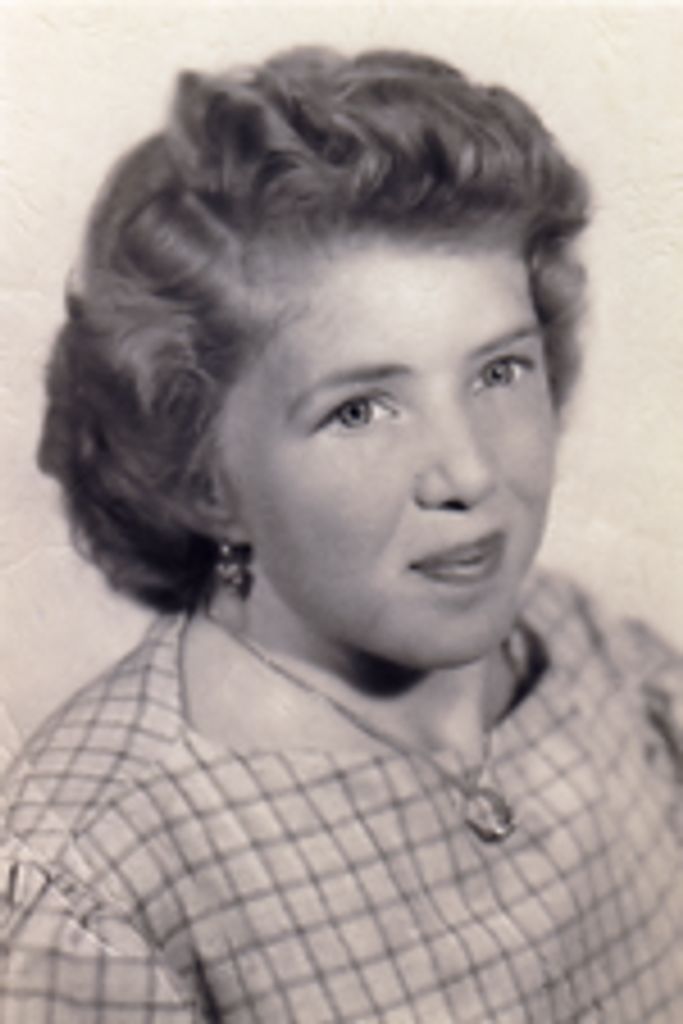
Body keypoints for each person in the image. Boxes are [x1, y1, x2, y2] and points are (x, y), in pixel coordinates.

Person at [1, 45, 682, 1023]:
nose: (468, 473)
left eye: (497, 372)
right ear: (206, 481)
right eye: (359, 410)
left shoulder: (582, 653)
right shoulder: (101, 872)